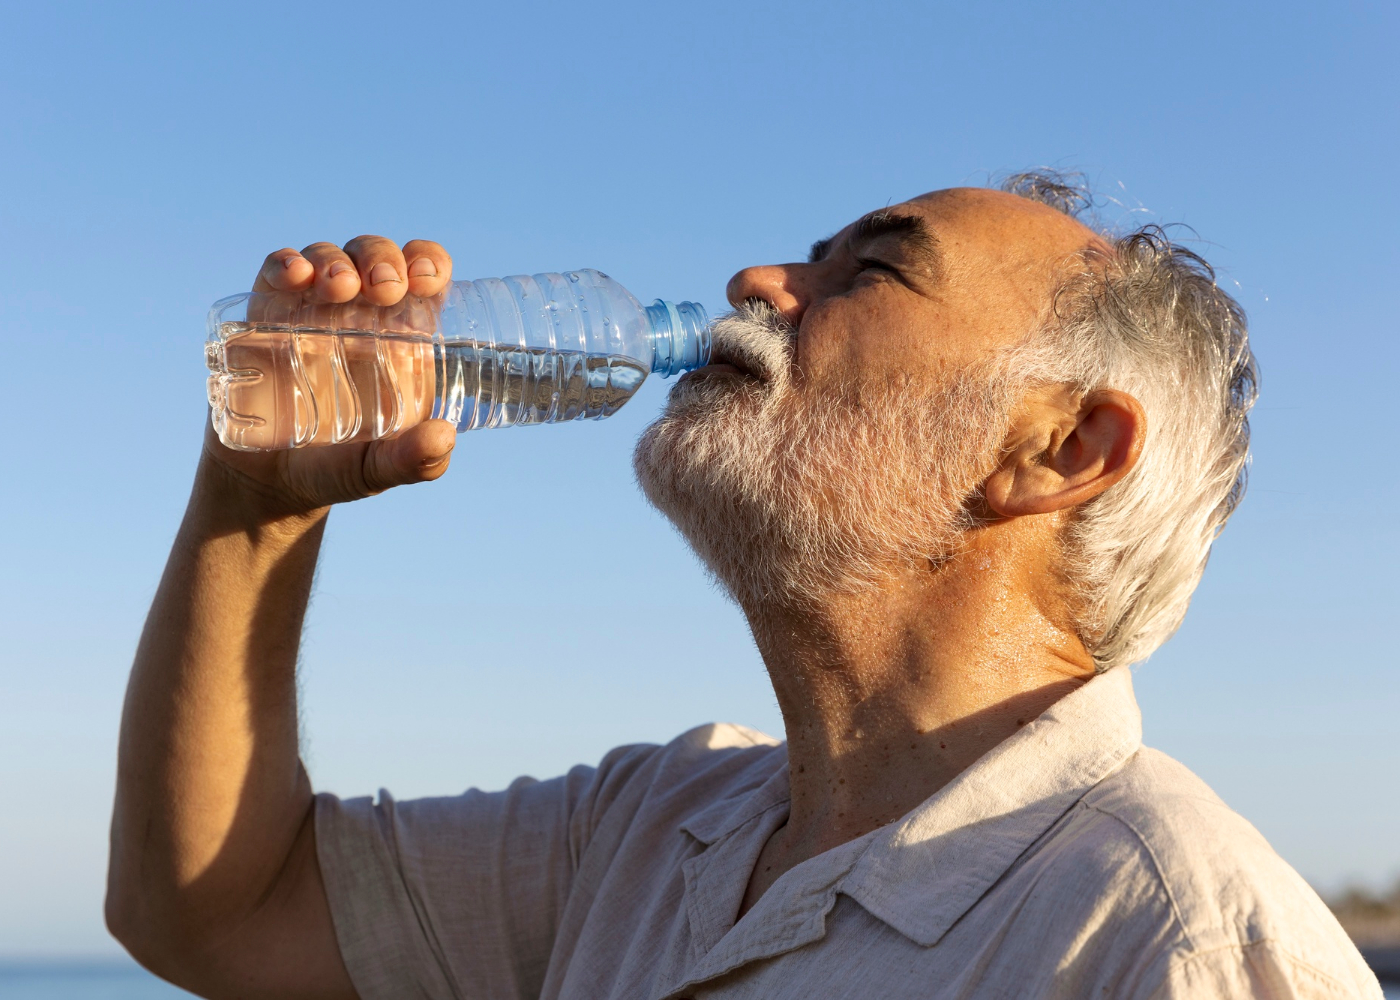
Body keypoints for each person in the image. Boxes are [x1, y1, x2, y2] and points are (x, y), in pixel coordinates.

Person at [105, 172, 1382, 999]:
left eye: (871, 269)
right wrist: (257, 510)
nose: (758, 287)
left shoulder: (1178, 941)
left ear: (1060, 452)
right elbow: (213, 910)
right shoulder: (647, 829)